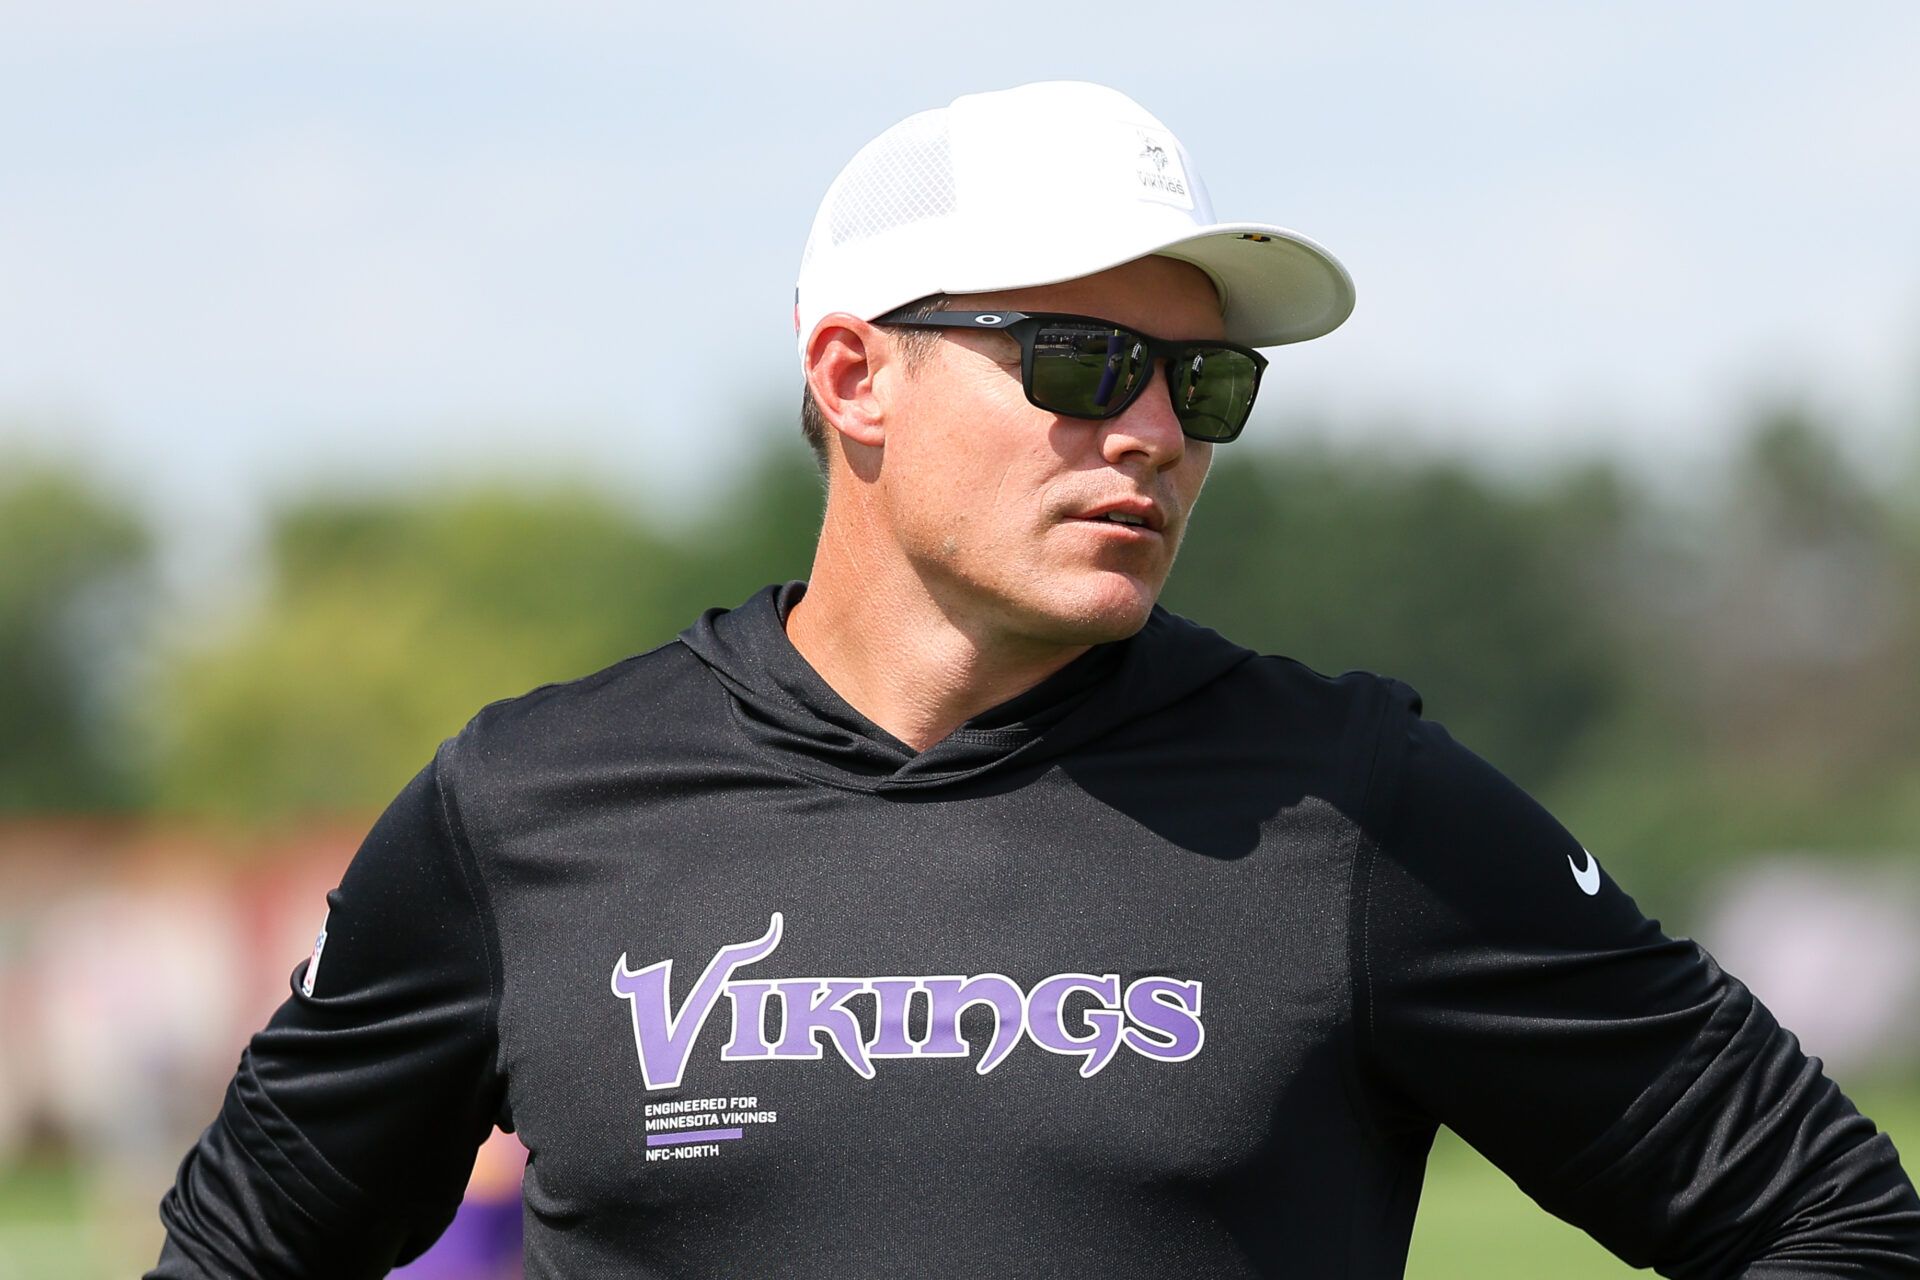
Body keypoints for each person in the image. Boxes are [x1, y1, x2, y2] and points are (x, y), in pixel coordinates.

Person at [150, 80, 1920, 1278]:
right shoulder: (526, 809)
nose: (1153, 434)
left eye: (1202, 387)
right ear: (855, 374)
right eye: (1079, 361)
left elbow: (1832, 1223)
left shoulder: (1354, 802)